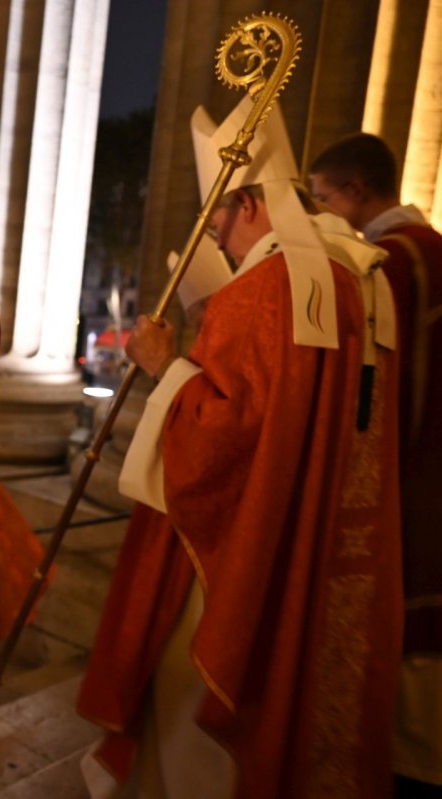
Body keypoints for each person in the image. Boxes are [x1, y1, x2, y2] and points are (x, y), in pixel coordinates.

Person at [77, 97, 402, 798]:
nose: (216, 238)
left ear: (248, 203)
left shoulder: (259, 291)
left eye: (217, 218)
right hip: (309, 544)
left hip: (236, 559)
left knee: (185, 713)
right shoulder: (353, 275)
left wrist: (166, 362)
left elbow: (219, 442)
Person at [309, 132, 442, 797]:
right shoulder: (434, 249)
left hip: (412, 494)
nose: (322, 212)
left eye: (323, 198)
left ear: (356, 192)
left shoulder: (389, 262)